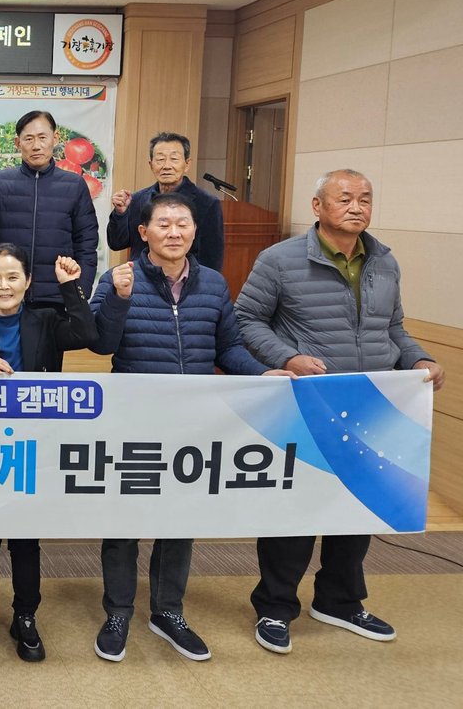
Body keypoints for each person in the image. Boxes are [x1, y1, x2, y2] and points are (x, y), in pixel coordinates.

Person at [235, 169, 445, 655]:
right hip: (308, 404)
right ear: (317, 206)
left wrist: (418, 359)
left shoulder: (384, 261)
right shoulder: (280, 259)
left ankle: (340, 601)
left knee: (357, 506)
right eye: (345, 198)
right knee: (296, 509)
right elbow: (246, 319)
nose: (357, 206)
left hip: (373, 406)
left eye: (365, 198)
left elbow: (393, 328)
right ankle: (275, 606)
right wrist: (287, 357)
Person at [88, 192, 293, 664]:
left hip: (192, 426)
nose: (174, 232)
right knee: (123, 524)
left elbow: (229, 348)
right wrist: (119, 299)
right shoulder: (119, 277)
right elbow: (100, 343)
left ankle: (167, 611)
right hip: (134, 422)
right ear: (144, 233)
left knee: (179, 521)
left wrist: (264, 373)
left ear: (195, 231)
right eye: (163, 224)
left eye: (183, 223)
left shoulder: (214, 284)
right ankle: (118, 613)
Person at [0, 244, 97, 662]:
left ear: (28, 282)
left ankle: (25, 616)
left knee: (26, 541)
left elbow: (87, 335)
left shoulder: (46, 321)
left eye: (13, 277)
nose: (4, 285)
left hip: (33, 448)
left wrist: (70, 287)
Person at [0, 110, 98, 305]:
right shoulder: (0, 182)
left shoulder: (74, 185)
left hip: (58, 297)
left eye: (42, 137)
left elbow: (86, 243)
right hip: (10, 296)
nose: (36, 146)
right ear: (18, 143)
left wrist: (80, 291)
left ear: (55, 138)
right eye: (28, 139)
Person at [106, 131, 225, 271]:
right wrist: (120, 214)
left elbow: (211, 258)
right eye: (160, 159)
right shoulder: (138, 199)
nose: (166, 166)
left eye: (174, 159)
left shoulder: (207, 203)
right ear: (151, 165)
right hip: (141, 278)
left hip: (184, 279)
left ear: (187, 164)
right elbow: (117, 243)